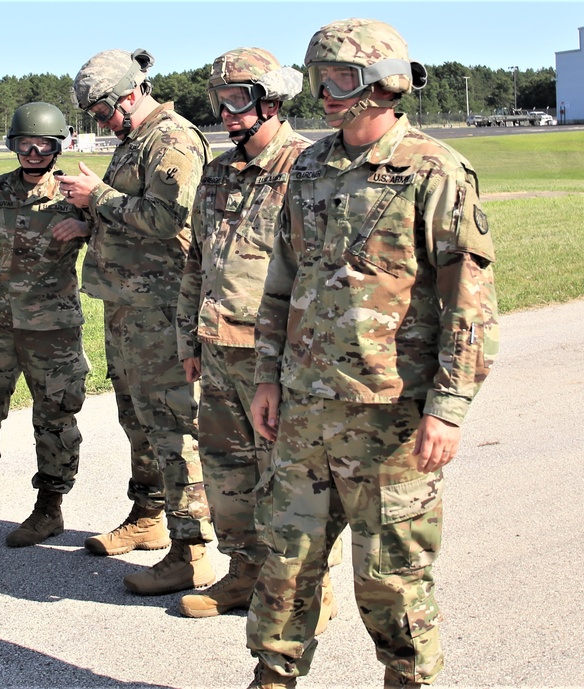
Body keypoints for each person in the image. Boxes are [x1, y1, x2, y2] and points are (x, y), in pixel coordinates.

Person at [244, 19, 499, 689]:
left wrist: (446, 407)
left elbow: (470, 302)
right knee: (284, 563)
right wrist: (266, 376)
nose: (323, 92)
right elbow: (281, 279)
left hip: (388, 419)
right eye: (317, 78)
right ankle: (273, 676)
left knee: (391, 578)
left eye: (339, 79)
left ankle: (409, 681)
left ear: (382, 84)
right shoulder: (307, 167)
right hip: (304, 412)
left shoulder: (433, 169)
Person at [174, 47, 342, 629]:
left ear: (271, 100)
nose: (225, 112)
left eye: (237, 99)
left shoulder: (310, 168)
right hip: (218, 347)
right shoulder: (218, 171)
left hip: (280, 355)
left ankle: (305, 592)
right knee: (227, 473)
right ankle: (245, 572)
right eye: (218, 100)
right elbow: (196, 258)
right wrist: (189, 338)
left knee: (293, 478)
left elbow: (324, 273)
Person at [56, 48, 214, 596]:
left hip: (161, 310)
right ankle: (148, 516)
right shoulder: (134, 142)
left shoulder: (172, 139)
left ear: (129, 96)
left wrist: (96, 197)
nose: (99, 123)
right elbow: (132, 215)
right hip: (128, 306)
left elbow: (172, 220)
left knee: (172, 425)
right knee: (137, 419)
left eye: (101, 113)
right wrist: (88, 223)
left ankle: (191, 551)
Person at [0, 102, 90, 548]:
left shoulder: (76, 194)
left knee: (55, 418)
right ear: (13, 145)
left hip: (52, 330)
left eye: (43, 145)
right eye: (24, 144)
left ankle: (49, 508)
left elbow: (116, 238)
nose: (33, 153)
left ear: (59, 146)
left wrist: (85, 227)